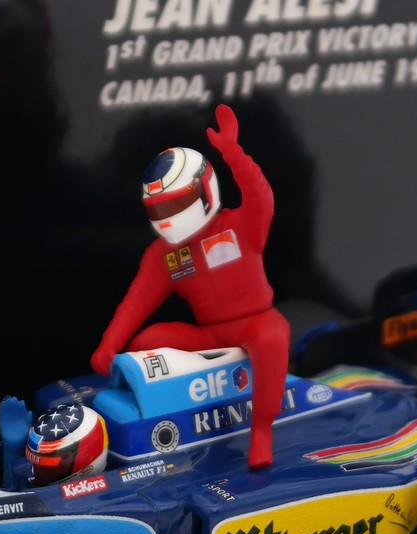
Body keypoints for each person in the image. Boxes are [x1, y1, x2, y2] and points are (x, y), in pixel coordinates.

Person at [90, 103, 287, 469]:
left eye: (176, 204)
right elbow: (136, 302)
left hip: (257, 322)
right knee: (147, 341)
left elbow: (261, 196)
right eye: (158, 209)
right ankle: (163, 410)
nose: (167, 218)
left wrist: (234, 153)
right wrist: (109, 345)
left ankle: (261, 431)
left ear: (205, 191)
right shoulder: (162, 256)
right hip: (209, 335)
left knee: (272, 337)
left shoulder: (241, 225)